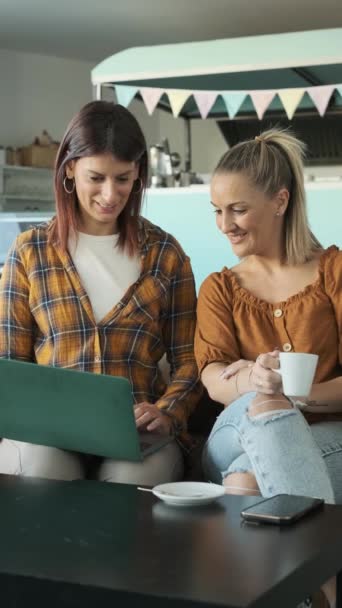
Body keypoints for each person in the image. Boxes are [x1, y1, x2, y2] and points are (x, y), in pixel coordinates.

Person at [0, 100, 201, 485]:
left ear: (138, 174)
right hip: (49, 436)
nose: (110, 195)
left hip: (139, 438)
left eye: (123, 179)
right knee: (46, 473)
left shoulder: (166, 254)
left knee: (127, 482)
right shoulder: (30, 252)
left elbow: (189, 362)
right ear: (70, 169)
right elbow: (10, 364)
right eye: (97, 178)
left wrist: (167, 412)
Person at [195, 128, 341, 607]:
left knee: (245, 483)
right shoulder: (220, 288)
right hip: (236, 426)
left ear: (280, 201)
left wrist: (298, 397)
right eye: (217, 210)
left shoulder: (333, 272)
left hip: (327, 433)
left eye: (237, 209)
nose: (224, 224)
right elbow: (214, 379)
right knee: (264, 405)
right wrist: (256, 382)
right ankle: (327, 594)